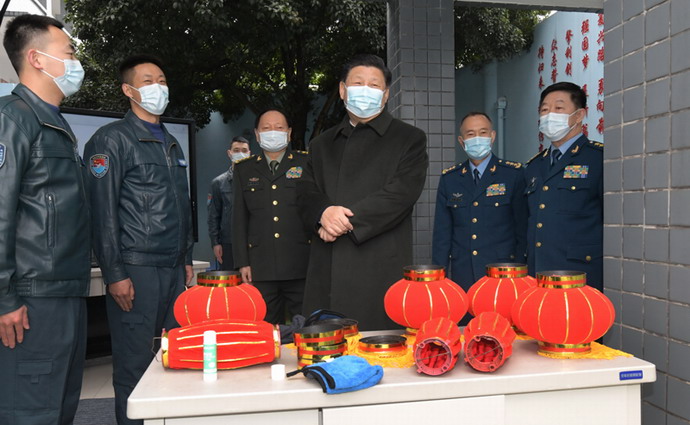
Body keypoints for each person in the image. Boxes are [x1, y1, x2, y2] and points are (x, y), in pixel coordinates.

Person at [84, 54, 194, 425]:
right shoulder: (110, 139)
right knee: (135, 364)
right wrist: (115, 273)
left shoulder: (172, 143)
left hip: (173, 268)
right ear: (128, 90)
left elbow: (180, 205)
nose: (158, 87)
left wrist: (186, 259)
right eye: (148, 81)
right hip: (136, 267)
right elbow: (102, 213)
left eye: (162, 80)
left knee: (174, 358)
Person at [0, 14, 90, 425]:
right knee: (31, 410)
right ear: (36, 58)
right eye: (69, 53)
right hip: (31, 297)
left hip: (64, 289)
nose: (76, 63)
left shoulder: (52, 121)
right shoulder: (12, 119)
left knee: (59, 405)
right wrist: (5, 299)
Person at [297, 54, 428, 331]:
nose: (365, 90)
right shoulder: (321, 144)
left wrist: (341, 222)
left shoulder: (409, 138)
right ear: (342, 90)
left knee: (379, 347)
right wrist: (322, 213)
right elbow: (306, 191)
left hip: (378, 266)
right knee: (327, 346)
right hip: (327, 266)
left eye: (374, 85)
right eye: (358, 83)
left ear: (386, 94)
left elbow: (400, 194)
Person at [432, 112, 527, 292]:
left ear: (492, 136)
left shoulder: (513, 174)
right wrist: (438, 280)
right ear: (461, 141)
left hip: (503, 272)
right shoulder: (450, 179)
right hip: (463, 272)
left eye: (483, 132)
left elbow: (522, 229)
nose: (477, 138)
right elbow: (442, 236)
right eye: (470, 134)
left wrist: (520, 272)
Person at [232, 110, 310, 324]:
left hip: (301, 263)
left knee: (306, 327)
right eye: (266, 128)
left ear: (289, 133)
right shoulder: (244, 169)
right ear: (257, 135)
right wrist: (242, 262)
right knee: (265, 327)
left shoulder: (306, 163)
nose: (273, 132)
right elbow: (239, 219)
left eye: (279, 127)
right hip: (261, 266)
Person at [524, 81, 603, 290]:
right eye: (544, 110)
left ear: (579, 115)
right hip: (539, 275)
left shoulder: (598, 159)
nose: (550, 115)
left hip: (580, 275)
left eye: (559, 108)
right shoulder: (534, 166)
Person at [207, 136, 251, 270]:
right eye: (236, 150)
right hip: (228, 243)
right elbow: (213, 216)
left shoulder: (258, 181)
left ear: (250, 153)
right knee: (230, 280)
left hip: (254, 242)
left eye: (244, 150)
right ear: (229, 153)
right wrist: (215, 243)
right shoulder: (218, 183)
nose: (240, 153)